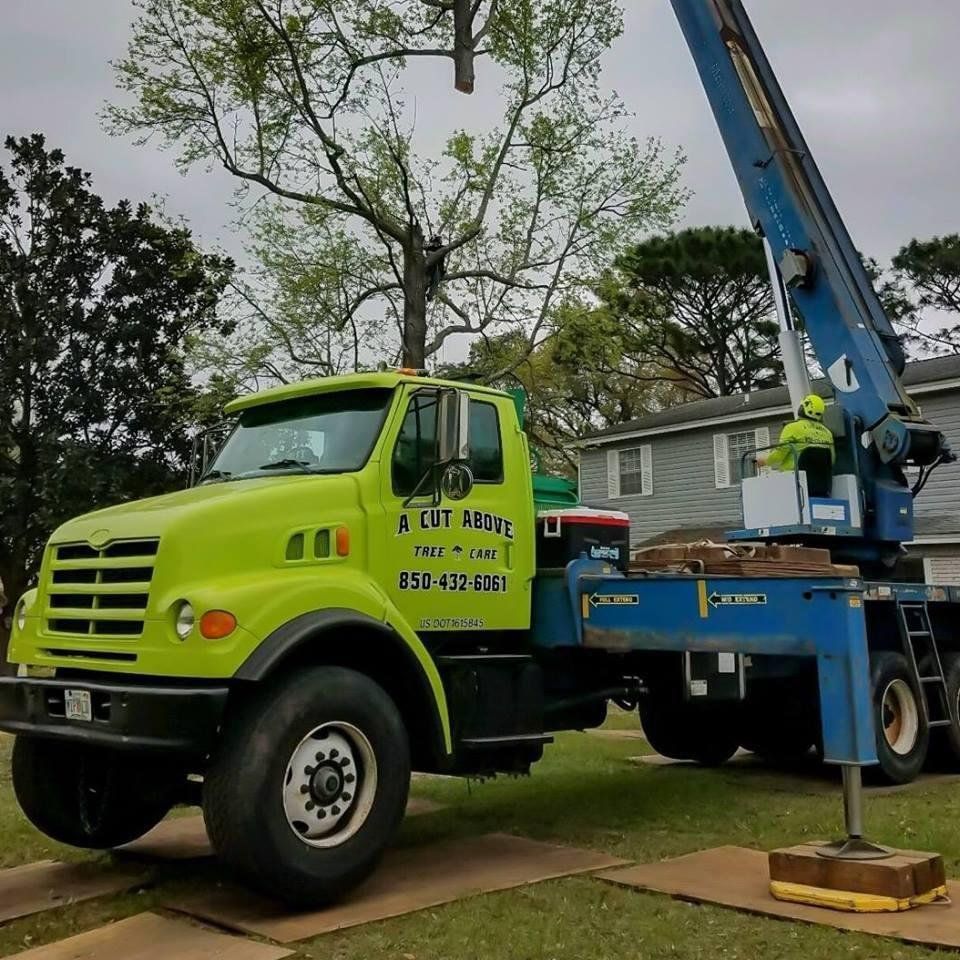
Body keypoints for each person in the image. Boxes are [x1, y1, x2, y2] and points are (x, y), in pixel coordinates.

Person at [759, 393, 834, 472]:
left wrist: (764, 461)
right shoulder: (827, 432)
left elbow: (780, 454)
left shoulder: (792, 428)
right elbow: (832, 459)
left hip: (793, 478)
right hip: (822, 480)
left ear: (802, 408)